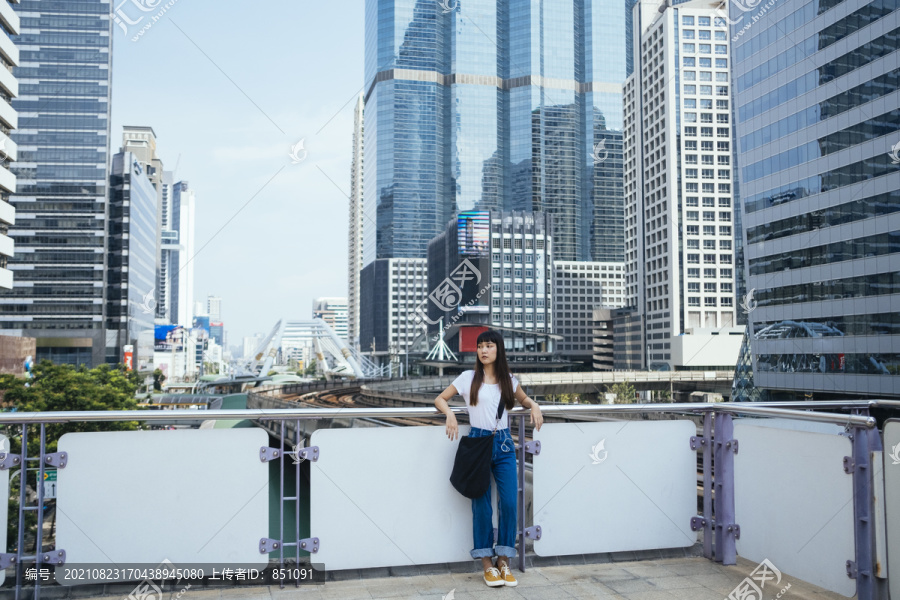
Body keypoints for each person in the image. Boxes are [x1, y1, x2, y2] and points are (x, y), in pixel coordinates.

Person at [434, 329, 543, 588]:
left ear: (498, 350)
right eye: (480, 346)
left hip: (504, 444)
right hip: (478, 443)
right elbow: (440, 398)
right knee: (481, 506)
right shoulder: (468, 377)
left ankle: (503, 559)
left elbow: (525, 399)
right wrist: (449, 414)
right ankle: (486, 564)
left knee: (509, 502)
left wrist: (535, 406)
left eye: (489, 346)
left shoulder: (508, 379)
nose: (484, 350)